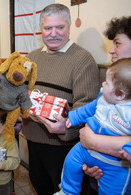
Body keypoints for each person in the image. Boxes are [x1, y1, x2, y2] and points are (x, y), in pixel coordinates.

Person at [21, 4, 100, 194]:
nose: (53, 33)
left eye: (60, 27)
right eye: (48, 28)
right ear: (41, 29)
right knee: (39, 185)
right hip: (32, 139)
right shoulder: (31, 57)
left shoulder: (83, 59)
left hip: (63, 147)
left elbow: (86, 105)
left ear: (69, 26)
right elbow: (22, 92)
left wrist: (66, 128)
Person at [55, 58, 131, 195]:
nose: (103, 83)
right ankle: (68, 191)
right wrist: (74, 117)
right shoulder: (103, 98)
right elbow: (89, 109)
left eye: (107, 83)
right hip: (85, 150)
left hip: (116, 165)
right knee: (71, 160)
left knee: (113, 189)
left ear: (120, 94)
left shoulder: (129, 113)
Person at [80, 16, 131, 194]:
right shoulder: (114, 83)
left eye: (117, 43)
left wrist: (93, 142)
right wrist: (91, 161)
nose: (111, 51)